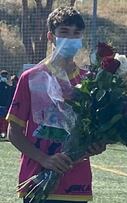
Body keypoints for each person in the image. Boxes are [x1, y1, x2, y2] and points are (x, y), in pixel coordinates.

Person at [7, 7, 105, 203]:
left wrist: (98, 145)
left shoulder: (91, 81)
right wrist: (45, 159)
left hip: (76, 183)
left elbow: (96, 134)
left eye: (76, 34)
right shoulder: (31, 78)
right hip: (36, 180)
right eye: (64, 32)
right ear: (51, 36)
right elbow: (13, 132)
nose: (71, 38)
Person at [0, 70, 12, 137]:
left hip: (4, 106)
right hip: (4, 106)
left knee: (3, 120)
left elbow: (9, 96)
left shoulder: (8, 86)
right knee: (3, 120)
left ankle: (3, 132)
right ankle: (3, 132)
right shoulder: (7, 86)